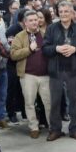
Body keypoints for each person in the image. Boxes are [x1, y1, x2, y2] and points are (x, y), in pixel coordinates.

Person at [43, 1, 76, 141]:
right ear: (58, 13)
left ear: (72, 13)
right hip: (56, 71)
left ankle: (74, 129)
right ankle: (55, 129)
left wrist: (75, 49)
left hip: (74, 71)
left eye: (66, 11)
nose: (63, 14)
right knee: (55, 101)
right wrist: (56, 48)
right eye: (61, 11)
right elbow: (45, 49)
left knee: (74, 101)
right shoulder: (51, 28)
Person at [9, 10, 50, 139]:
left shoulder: (45, 35)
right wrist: (29, 49)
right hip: (27, 75)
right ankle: (33, 127)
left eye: (36, 19)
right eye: (31, 20)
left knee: (48, 102)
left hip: (45, 75)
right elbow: (13, 55)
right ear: (25, 23)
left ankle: (53, 127)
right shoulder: (19, 36)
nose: (34, 22)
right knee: (29, 102)